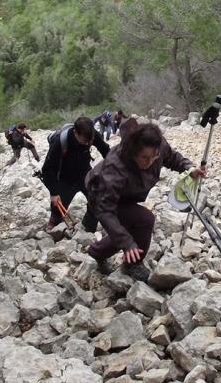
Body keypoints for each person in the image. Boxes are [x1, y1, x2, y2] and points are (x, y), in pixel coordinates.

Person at [85, 119, 207, 281]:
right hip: (100, 195)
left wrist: (190, 168)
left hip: (127, 195)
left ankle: (97, 252)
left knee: (129, 224)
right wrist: (127, 244)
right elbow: (105, 209)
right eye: (144, 158)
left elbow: (172, 157)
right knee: (144, 220)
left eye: (154, 157)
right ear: (133, 152)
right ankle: (132, 264)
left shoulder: (157, 147)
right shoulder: (115, 166)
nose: (150, 163)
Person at [41, 116, 110, 231]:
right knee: (58, 206)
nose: (87, 143)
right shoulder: (60, 142)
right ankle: (54, 223)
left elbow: (106, 150)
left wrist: (116, 167)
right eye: (84, 141)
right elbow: (47, 169)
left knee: (97, 199)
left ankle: (89, 226)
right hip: (65, 178)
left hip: (85, 173)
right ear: (75, 132)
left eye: (89, 141)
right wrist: (54, 193)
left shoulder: (91, 135)